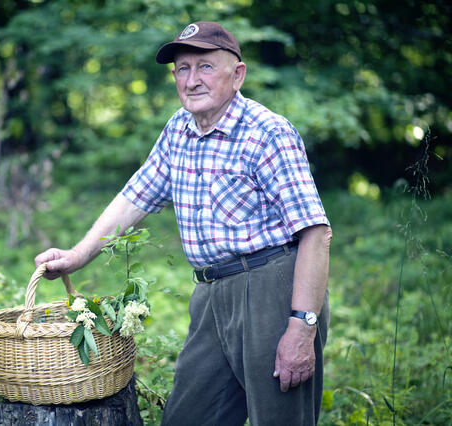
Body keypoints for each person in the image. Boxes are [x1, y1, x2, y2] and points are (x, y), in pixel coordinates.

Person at [35, 21, 332, 426]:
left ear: (238, 73)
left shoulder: (268, 133)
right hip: (210, 294)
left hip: (272, 292)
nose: (192, 80)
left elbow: (316, 232)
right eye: (182, 69)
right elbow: (133, 199)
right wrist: (76, 256)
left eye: (205, 67)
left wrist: (302, 326)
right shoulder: (179, 129)